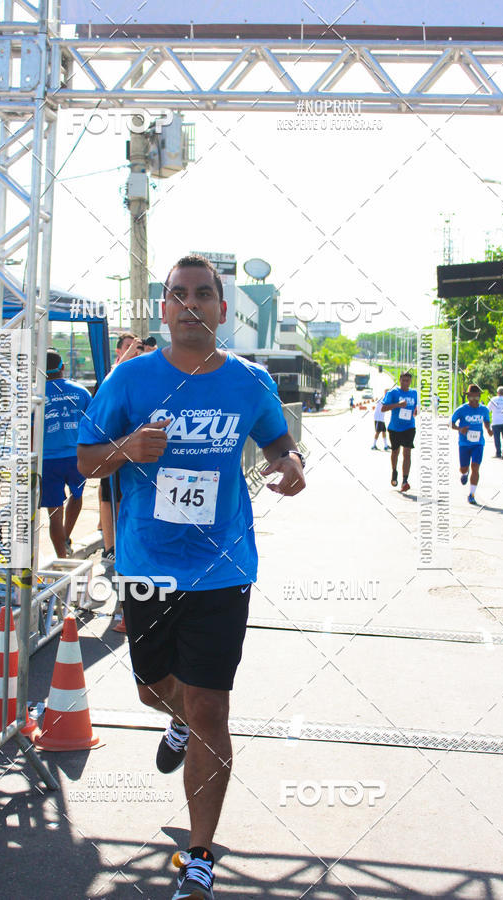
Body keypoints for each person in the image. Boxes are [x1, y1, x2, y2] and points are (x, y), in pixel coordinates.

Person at [78, 254, 306, 900]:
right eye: (177, 295)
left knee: (211, 707)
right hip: (148, 567)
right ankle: (173, 718)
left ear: (222, 309)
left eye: (203, 295)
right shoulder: (130, 380)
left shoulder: (249, 382)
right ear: (163, 308)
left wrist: (289, 466)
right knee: (157, 691)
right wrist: (126, 450)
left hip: (222, 567)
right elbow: (86, 460)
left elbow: (278, 444)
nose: (190, 305)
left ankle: (200, 854)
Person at [41, 350, 91, 558]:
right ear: (62, 367)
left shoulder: (34, 395)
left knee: (54, 513)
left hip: (47, 460)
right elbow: (93, 423)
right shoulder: (80, 391)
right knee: (77, 496)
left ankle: (61, 555)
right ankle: (66, 537)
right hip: (77, 456)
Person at [98, 332, 142, 566]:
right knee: (109, 497)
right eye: (128, 346)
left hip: (139, 449)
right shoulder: (111, 374)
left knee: (130, 496)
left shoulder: (144, 372)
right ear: (118, 350)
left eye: (136, 347)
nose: (134, 350)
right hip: (113, 446)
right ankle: (110, 547)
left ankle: (128, 544)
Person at [451, 383, 493, 505]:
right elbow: (451, 423)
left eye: (476, 398)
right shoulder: (462, 409)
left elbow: (486, 421)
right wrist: (460, 429)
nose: (474, 400)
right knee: (463, 468)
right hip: (464, 443)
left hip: (478, 444)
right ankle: (464, 473)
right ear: (468, 397)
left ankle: (472, 494)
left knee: (475, 467)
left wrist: (488, 429)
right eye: (471, 398)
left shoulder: (484, 409)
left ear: (480, 397)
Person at [381, 372, 419, 492]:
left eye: (408, 381)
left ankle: (405, 480)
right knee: (395, 452)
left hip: (409, 426)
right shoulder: (393, 393)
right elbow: (383, 408)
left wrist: (416, 411)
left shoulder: (414, 393)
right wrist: (398, 405)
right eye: (403, 380)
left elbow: (416, 407)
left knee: (407, 452)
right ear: (400, 380)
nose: (405, 383)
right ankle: (394, 471)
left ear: (410, 382)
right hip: (395, 428)